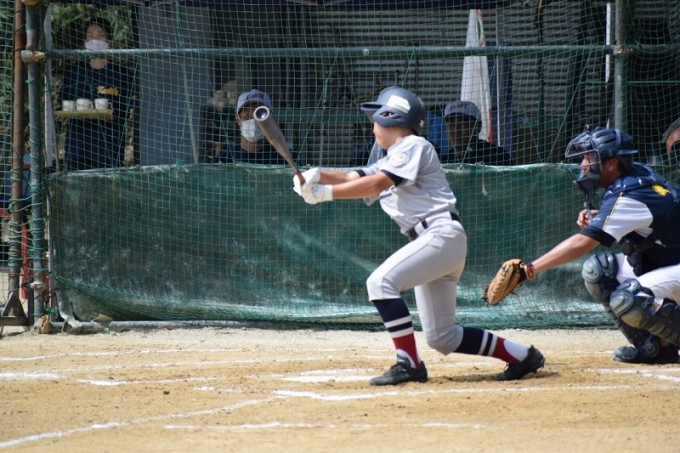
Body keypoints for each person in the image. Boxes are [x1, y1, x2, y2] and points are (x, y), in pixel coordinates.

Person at [293, 86, 545, 385]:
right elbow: (353, 176)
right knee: (442, 337)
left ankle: (409, 364)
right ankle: (523, 356)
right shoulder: (392, 157)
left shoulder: (414, 145)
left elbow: (376, 184)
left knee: (380, 282)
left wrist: (325, 194)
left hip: (439, 235)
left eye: (376, 120)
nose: (373, 127)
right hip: (436, 243)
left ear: (391, 117)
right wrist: (316, 174)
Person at [505, 126, 680, 364]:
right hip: (670, 264)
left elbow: (581, 243)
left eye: (589, 158)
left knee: (630, 299)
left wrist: (529, 269)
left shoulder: (630, 193)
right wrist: (601, 218)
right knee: (598, 271)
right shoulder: (635, 177)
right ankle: (654, 348)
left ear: (612, 163)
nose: (583, 165)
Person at [59, 17, 133, 170]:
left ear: (109, 41)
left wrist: (116, 111)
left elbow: (129, 104)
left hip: (109, 145)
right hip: (78, 144)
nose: (95, 40)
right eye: (90, 36)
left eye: (100, 35)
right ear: (85, 41)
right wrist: (63, 113)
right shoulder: (74, 72)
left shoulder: (122, 74)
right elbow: (64, 101)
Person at [211, 89, 289, 165]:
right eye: (248, 115)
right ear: (238, 119)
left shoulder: (285, 159)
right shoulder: (222, 161)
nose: (254, 121)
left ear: (269, 120)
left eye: (259, 115)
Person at [441, 100, 513, 165]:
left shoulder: (496, 155)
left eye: (462, 123)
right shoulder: (444, 161)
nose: (456, 130)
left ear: (478, 126)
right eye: (451, 123)